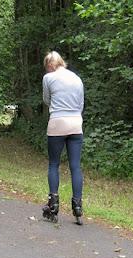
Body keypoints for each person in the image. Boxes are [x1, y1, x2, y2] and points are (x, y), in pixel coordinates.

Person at [41, 51, 85, 225]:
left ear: (49, 65)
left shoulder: (48, 78)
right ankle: (78, 207)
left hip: (57, 122)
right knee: (75, 166)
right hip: (76, 123)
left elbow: (46, 100)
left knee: (54, 164)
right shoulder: (77, 78)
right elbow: (81, 103)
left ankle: (53, 206)